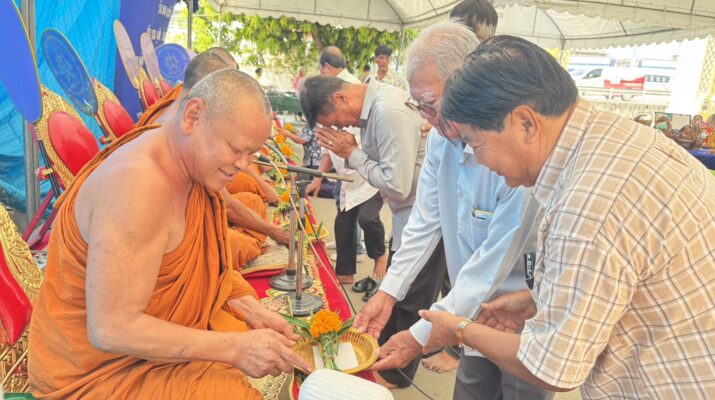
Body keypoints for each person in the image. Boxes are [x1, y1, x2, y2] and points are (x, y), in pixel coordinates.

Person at [424, 35, 715, 399]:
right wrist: (539, 299)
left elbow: (553, 366)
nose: (478, 160)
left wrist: (460, 330)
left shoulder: (588, 204)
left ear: (525, 123)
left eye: (475, 143)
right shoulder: (613, 140)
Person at [29, 69, 313, 399]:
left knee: (254, 338)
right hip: (100, 372)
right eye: (237, 149)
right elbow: (109, 329)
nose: (243, 164)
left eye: (252, 154)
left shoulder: (192, 167)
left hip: (147, 347)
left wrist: (255, 312)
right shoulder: (137, 187)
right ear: (192, 116)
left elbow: (213, 269)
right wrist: (235, 348)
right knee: (237, 392)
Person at [354, 23, 550, 399]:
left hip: (522, 310)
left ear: (469, 84)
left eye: (432, 105)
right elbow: (424, 223)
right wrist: (388, 292)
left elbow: (494, 262)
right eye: (420, 107)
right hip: (466, 307)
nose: (427, 119)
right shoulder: (442, 140)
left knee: (520, 391)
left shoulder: (514, 151)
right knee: (471, 389)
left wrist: (419, 335)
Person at [135, 51, 289, 262]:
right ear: (211, 89)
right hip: (179, 243)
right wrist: (273, 231)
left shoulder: (183, 118)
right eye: (229, 90)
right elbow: (225, 205)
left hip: (195, 221)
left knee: (252, 203)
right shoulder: (170, 139)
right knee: (244, 245)